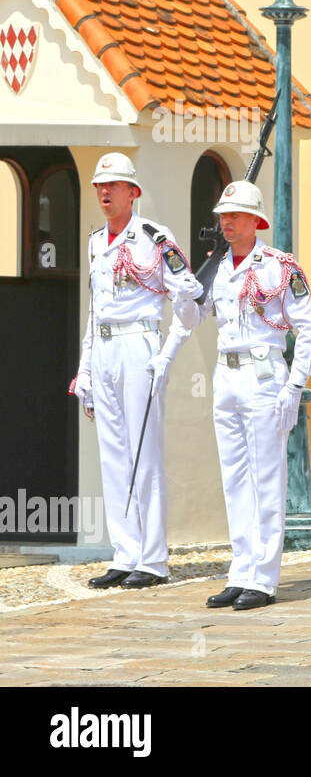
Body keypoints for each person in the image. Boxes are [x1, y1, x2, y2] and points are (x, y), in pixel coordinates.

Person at [69, 152, 203, 590]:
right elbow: (94, 312)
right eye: (99, 186)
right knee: (113, 455)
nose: (105, 192)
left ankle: (152, 559)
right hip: (105, 348)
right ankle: (125, 553)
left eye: (114, 185)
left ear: (133, 192)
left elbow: (187, 302)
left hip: (138, 344)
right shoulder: (94, 242)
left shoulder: (153, 237)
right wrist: (84, 369)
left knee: (143, 453)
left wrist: (165, 353)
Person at [193, 181, 311, 610]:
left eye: (234, 215)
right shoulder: (217, 265)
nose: (225, 222)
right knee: (235, 479)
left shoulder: (280, 266)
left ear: (256, 219)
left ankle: (263, 579)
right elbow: (191, 315)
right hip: (226, 375)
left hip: (265, 376)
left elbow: (310, 327)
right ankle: (240, 570)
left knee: (267, 478)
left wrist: (295, 385)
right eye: (222, 216)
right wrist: (195, 279)